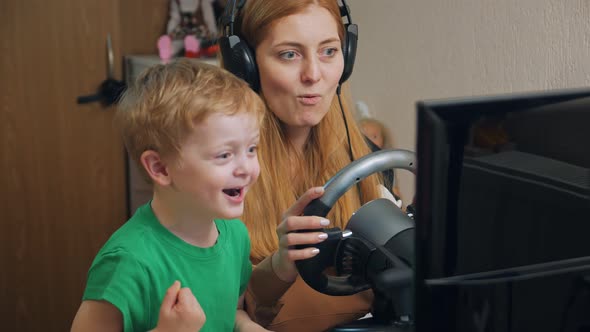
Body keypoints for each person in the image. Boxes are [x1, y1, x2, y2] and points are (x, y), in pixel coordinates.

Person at [219, 0, 402, 330]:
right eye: (289, 54)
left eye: (329, 51)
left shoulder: (371, 163)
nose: (314, 75)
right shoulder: (216, 174)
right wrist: (278, 266)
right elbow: (218, 310)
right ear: (245, 64)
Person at [70, 59, 269, 332]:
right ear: (161, 168)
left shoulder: (235, 236)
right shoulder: (127, 262)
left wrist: (246, 327)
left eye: (251, 149)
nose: (247, 168)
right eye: (225, 155)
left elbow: (229, 312)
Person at [358, 117, 403, 201]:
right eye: (365, 137)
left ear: (384, 140)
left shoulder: (388, 166)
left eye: (374, 136)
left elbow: (395, 191)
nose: (369, 142)